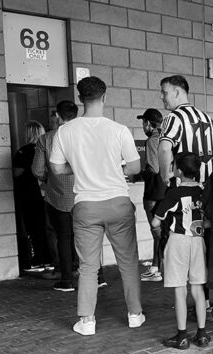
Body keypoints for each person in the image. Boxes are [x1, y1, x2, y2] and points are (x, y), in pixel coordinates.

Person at [50, 76, 145, 336]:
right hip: (118, 203)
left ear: (80, 99)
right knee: (128, 262)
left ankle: (87, 320)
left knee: (89, 266)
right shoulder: (119, 129)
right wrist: (115, 166)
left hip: (86, 206)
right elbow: (136, 167)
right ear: (105, 97)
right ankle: (135, 314)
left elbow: (56, 169)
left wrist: (79, 167)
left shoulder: (65, 131)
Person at [157, 74, 213, 310]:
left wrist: (166, 177)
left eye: (165, 92)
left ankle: (200, 301)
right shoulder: (208, 119)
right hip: (207, 191)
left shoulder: (173, 118)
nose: (162, 97)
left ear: (177, 92)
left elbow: (165, 148)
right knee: (206, 241)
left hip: (185, 193)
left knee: (185, 243)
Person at [153, 152, 210, 349]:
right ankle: (202, 334)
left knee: (179, 288)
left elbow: (156, 220)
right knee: (197, 287)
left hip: (178, 241)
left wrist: (157, 229)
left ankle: (182, 336)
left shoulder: (174, 193)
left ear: (179, 170)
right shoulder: (203, 191)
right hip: (198, 240)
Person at [32, 101, 80, 291]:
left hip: (58, 197)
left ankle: (66, 280)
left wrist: (48, 177)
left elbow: (36, 169)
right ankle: (98, 277)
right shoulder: (85, 136)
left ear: (58, 117)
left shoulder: (46, 139)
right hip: (84, 195)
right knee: (87, 237)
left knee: (63, 237)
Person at [14, 120, 51, 270]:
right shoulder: (48, 149)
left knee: (33, 227)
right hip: (47, 193)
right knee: (47, 227)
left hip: (29, 195)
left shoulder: (24, 151)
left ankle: (38, 260)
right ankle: (50, 260)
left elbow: (17, 172)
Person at [137, 108, 166, 283]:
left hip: (153, 193)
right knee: (164, 232)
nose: (143, 126)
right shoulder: (167, 139)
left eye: (143, 123)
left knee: (157, 232)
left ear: (148, 123)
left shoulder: (152, 140)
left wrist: (136, 174)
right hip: (166, 192)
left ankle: (155, 269)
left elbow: (153, 169)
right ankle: (158, 266)